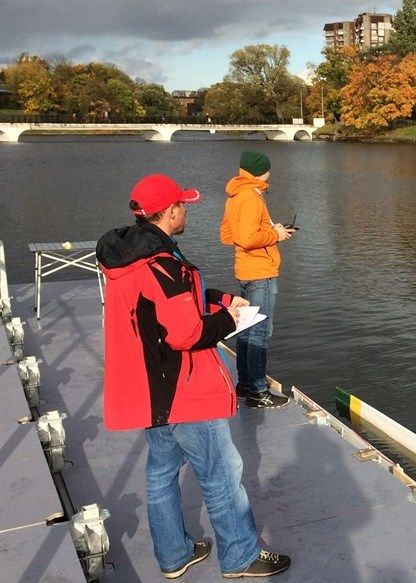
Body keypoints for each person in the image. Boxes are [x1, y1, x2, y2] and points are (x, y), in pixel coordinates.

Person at [96, 174, 291, 579]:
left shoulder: (130, 256)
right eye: (182, 205)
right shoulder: (162, 265)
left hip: (153, 388)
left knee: (161, 472)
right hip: (184, 388)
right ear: (169, 213)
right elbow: (188, 332)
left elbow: (167, 303)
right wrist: (228, 317)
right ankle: (239, 556)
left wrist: (219, 297)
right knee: (221, 473)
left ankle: (174, 554)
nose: (186, 210)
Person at [220, 151, 293, 409]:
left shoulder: (235, 196)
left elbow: (228, 235)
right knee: (261, 331)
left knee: (246, 329)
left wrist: (271, 230)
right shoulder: (251, 197)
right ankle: (258, 391)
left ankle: (244, 384)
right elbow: (249, 238)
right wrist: (275, 235)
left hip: (245, 269)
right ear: (262, 171)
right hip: (261, 273)